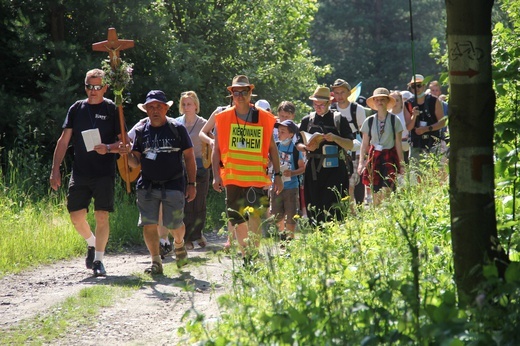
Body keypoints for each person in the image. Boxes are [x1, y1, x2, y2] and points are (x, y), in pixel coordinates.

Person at [50, 68, 125, 277]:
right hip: (81, 171)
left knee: (102, 215)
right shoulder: (76, 109)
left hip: (104, 172)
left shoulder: (112, 109)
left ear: (105, 88)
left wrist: (108, 148)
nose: (93, 91)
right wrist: (55, 169)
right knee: (76, 216)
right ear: (85, 87)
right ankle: (91, 243)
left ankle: (99, 261)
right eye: (89, 86)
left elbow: (125, 144)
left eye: (97, 87)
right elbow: (64, 140)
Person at [212, 75, 283, 263]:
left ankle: (251, 256)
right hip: (233, 178)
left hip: (256, 178)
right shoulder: (223, 117)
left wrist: (278, 174)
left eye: (244, 91)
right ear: (231, 94)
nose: (240, 95)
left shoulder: (264, 117)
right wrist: (215, 176)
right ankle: (246, 254)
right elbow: (216, 150)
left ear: (251, 93)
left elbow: (272, 148)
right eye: (236, 92)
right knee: (237, 219)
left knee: (255, 217)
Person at [125, 90, 196, 274]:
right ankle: (156, 262)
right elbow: (135, 162)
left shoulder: (177, 128)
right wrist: (126, 154)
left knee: (175, 225)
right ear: (146, 110)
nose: (155, 110)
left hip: (173, 184)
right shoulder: (141, 131)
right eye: (151, 107)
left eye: (158, 106)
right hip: (147, 185)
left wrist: (192, 184)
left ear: (165, 108)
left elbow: (189, 157)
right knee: (149, 224)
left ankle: (179, 244)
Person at [297, 86, 354, 224]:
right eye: (315, 104)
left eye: (321, 104)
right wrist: (306, 147)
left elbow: (350, 144)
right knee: (314, 206)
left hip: (335, 169)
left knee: (334, 207)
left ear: (329, 103)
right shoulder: (307, 120)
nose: (318, 107)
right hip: (313, 169)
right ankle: (318, 237)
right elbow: (298, 144)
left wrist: (335, 138)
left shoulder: (339, 119)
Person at [358, 88, 405, 205]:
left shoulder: (395, 120)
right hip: (374, 158)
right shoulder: (368, 121)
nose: (380, 102)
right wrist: (361, 163)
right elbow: (364, 144)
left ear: (388, 101)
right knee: (375, 192)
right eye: (377, 100)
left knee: (388, 190)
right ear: (374, 102)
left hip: (390, 157)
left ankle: (386, 215)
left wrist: (402, 164)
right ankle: (378, 216)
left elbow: (398, 144)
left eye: (383, 99)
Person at [175, 91, 209, 250]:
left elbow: (213, 143)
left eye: (189, 104)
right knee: (186, 202)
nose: (186, 107)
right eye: (184, 104)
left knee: (199, 202)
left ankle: (198, 233)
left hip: (201, 166)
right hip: (181, 166)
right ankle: (187, 237)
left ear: (196, 105)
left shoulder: (204, 123)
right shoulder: (176, 123)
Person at [330, 78, 366, 206]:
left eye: (342, 92)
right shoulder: (331, 110)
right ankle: (349, 212)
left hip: (355, 149)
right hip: (337, 151)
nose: (339, 96)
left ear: (349, 93)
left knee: (355, 182)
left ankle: (358, 209)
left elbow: (364, 133)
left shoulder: (358, 109)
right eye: (336, 93)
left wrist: (365, 154)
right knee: (343, 183)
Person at [270, 120, 305, 242]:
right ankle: (282, 235)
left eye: (283, 132)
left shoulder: (296, 150)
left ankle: (290, 238)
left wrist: (293, 173)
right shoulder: (276, 146)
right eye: (278, 131)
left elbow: (302, 168)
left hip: (291, 187)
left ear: (291, 134)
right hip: (276, 186)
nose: (279, 134)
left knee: (291, 214)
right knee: (276, 214)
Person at [404, 74, 446, 168]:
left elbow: (442, 122)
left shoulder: (434, 101)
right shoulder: (408, 104)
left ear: (424, 86)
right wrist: (414, 116)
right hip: (416, 144)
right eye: (413, 86)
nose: (416, 88)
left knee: (434, 172)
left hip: (433, 142)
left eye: (419, 85)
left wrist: (426, 129)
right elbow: (408, 127)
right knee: (418, 174)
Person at [390, 90, 411, 163]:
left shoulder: (406, 113)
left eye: (397, 100)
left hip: (408, 145)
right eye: (393, 100)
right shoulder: (387, 115)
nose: (395, 103)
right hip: (393, 146)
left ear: (401, 101)